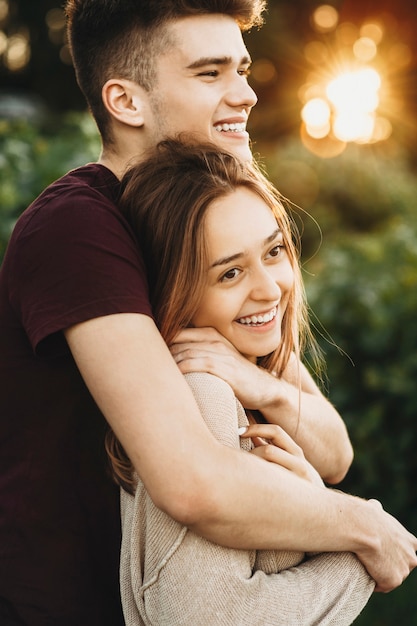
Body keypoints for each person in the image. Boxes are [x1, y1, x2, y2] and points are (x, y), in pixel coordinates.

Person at [0, 1, 415, 624]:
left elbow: (333, 451)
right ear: (126, 101)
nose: (245, 93)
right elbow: (193, 483)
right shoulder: (79, 228)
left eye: (242, 69)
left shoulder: (198, 215)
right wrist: (364, 528)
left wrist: (257, 383)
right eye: (210, 73)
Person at [111, 138, 375, 625]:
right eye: (230, 273)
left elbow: (336, 454)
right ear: (177, 291)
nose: (270, 287)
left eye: (273, 250)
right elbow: (209, 614)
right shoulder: (202, 392)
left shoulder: (248, 356)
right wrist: (363, 553)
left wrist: (265, 388)